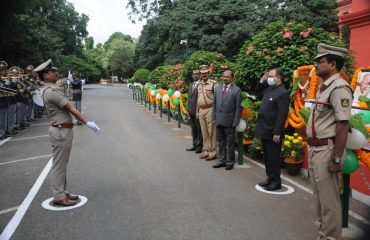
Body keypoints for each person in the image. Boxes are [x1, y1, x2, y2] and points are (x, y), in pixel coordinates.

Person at [34, 59, 100, 206]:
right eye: (53, 71)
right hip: (60, 130)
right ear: (45, 75)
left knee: (62, 164)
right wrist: (87, 123)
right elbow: (71, 108)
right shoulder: (51, 92)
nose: (56, 73)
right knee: (59, 165)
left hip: (63, 130)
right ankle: (58, 196)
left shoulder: (53, 88)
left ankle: (63, 192)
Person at [307, 43, 352, 240]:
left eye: (321, 62)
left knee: (329, 199)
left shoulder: (339, 88)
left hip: (327, 150)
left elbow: (343, 125)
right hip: (316, 149)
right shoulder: (324, 87)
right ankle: (323, 234)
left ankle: (330, 236)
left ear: (332, 64)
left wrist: (336, 158)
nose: (316, 65)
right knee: (319, 197)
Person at [255, 68, 290, 191]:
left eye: (271, 76)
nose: (269, 78)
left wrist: (277, 133)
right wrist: (262, 80)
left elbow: (282, 116)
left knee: (274, 158)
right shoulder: (270, 89)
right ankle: (269, 178)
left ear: (278, 77)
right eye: (268, 76)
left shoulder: (283, 93)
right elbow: (257, 93)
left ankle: (276, 182)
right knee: (267, 157)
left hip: (273, 131)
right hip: (264, 129)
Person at [212, 70, 241, 170]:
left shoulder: (236, 90)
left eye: (227, 77)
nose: (225, 78)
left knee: (230, 143)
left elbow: (238, 107)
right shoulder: (218, 88)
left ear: (232, 78)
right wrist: (214, 117)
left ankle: (230, 161)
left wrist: (236, 121)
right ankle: (222, 160)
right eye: (223, 76)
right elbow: (214, 104)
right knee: (220, 141)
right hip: (219, 120)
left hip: (230, 121)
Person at [197, 65, 217, 161]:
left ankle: (213, 152)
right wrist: (197, 111)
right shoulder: (199, 84)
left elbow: (217, 98)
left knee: (212, 131)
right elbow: (198, 98)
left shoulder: (213, 84)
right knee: (204, 131)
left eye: (205, 73)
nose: (204, 75)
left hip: (210, 109)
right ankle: (206, 150)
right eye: (202, 73)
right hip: (201, 110)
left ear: (209, 73)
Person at [186, 69, 203, 154]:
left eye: (197, 74)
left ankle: (199, 146)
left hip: (198, 111)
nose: (195, 75)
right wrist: (188, 109)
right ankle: (194, 144)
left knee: (199, 129)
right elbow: (190, 98)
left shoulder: (201, 85)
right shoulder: (191, 84)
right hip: (191, 111)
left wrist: (198, 111)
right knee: (193, 129)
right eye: (194, 74)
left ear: (200, 75)